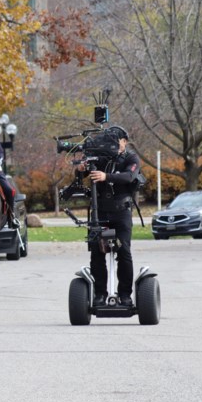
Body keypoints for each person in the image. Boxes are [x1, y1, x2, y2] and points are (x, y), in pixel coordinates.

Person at [86, 125, 140, 307]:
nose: (113, 145)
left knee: (123, 251)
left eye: (116, 142)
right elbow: (87, 171)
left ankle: (125, 294)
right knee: (96, 253)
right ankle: (100, 294)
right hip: (100, 211)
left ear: (124, 141)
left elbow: (129, 176)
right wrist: (81, 169)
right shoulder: (101, 159)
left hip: (121, 212)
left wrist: (106, 176)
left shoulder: (131, 157)